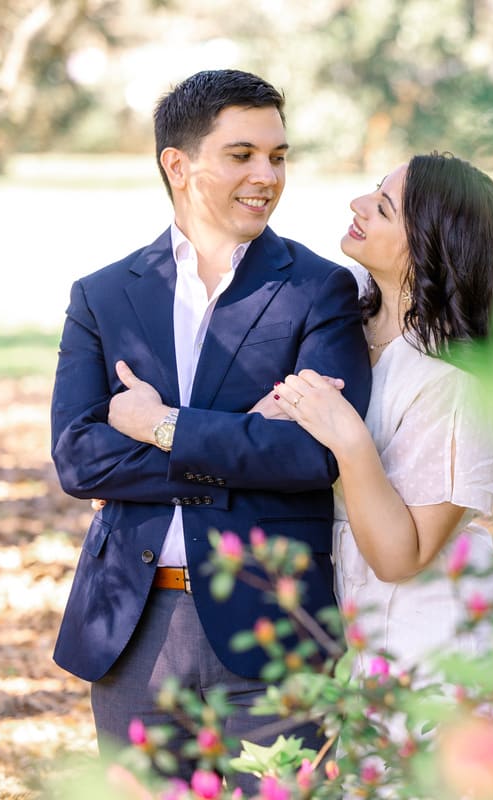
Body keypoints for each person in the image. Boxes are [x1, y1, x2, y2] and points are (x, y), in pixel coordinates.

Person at [48, 69, 371, 774]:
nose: (268, 175)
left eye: (279, 156)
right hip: (132, 627)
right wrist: (238, 438)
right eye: (243, 154)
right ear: (178, 164)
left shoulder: (319, 290)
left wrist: (161, 424)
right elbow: (79, 459)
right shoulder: (103, 296)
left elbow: (314, 457)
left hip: (274, 627)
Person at [266, 152, 493, 678]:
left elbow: (400, 558)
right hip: (352, 636)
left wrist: (348, 437)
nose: (358, 204)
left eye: (384, 208)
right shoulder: (342, 325)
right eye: (374, 191)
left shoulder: (458, 385)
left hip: (434, 652)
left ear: (431, 249)